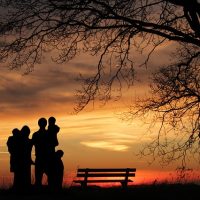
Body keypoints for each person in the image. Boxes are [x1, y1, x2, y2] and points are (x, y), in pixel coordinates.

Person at [32, 117, 49, 187]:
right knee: (38, 178)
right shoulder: (47, 134)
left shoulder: (36, 134)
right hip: (41, 157)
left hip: (44, 158)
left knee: (40, 177)